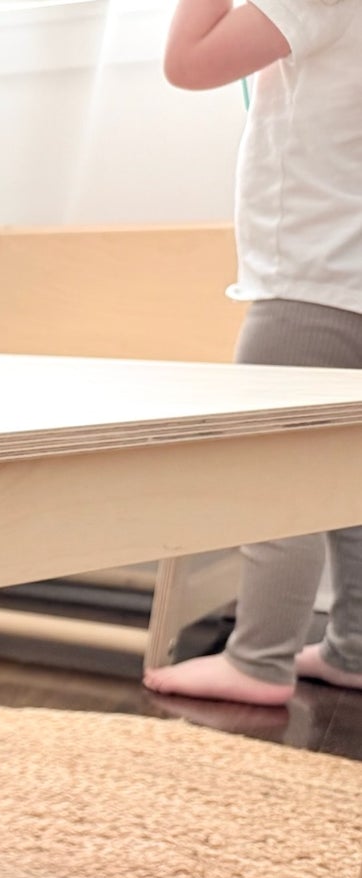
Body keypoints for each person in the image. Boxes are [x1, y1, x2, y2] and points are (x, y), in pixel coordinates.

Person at [144, 0, 362, 705]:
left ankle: (257, 660)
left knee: (276, 476)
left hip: (311, 283)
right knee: (350, 479)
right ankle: (355, 647)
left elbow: (189, 63)